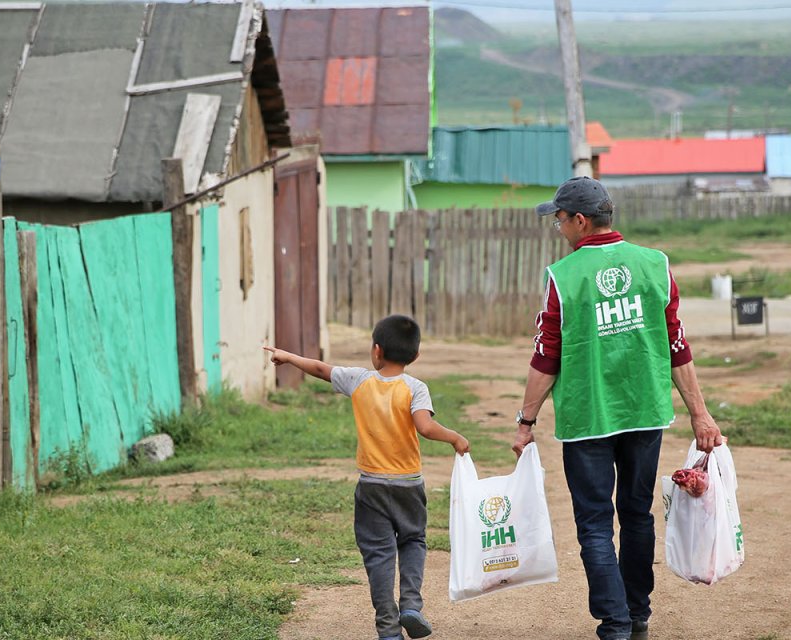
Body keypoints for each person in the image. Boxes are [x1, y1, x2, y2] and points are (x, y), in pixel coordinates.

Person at [511, 176, 724, 640]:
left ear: (581, 221)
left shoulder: (563, 278)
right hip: (644, 412)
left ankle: (615, 624)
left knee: (593, 523)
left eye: (560, 219)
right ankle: (637, 615)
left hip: (587, 419)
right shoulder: (655, 264)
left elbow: (546, 357)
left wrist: (526, 422)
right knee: (636, 514)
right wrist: (699, 412)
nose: (558, 227)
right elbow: (676, 345)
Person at [264, 314, 470, 640]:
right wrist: (455, 437)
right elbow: (426, 427)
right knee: (413, 540)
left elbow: (320, 369)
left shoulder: (359, 380)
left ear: (376, 351)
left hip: (371, 485)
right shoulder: (415, 387)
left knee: (379, 554)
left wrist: (287, 356)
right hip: (408, 484)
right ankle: (412, 604)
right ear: (415, 356)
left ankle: (388, 628)